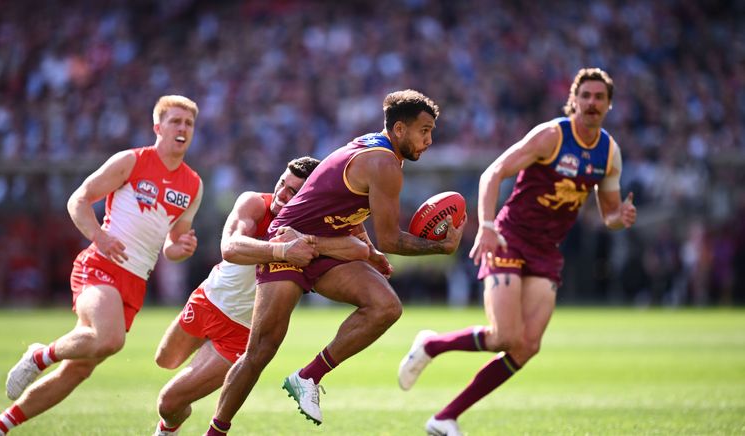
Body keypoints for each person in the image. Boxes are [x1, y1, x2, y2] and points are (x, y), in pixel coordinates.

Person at [205, 89, 465, 435]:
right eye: (425, 130)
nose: (430, 140)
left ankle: (308, 377)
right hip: (290, 240)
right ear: (399, 129)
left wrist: (369, 251)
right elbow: (392, 239)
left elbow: (344, 209)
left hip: (326, 247)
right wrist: (441, 248)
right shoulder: (384, 164)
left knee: (385, 306)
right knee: (261, 352)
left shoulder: (373, 147)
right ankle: (215, 433)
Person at [397, 68, 638, 435]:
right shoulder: (551, 136)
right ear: (573, 100)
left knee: (526, 346)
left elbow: (608, 216)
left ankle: (444, 417)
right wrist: (489, 226)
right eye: (585, 96)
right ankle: (432, 344)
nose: (591, 103)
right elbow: (492, 173)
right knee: (504, 337)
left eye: (599, 97)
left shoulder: (609, 153)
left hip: (546, 251)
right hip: (509, 236)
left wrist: (621, 216)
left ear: (608, 104)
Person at [0, 95, 204, 436]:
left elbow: (172, 246)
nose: (182, 128)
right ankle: (40, 355)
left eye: (188, 123)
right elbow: (78, 199)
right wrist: (99, 237)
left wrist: (181, 248)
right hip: (100, 265)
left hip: (135, 281)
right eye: (175, 121)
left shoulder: (193, 185)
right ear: (158, 127)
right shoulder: (131, 161)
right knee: (109, 339)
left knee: (78, 370)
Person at [152, 156, 372, 436]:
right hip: (207, 300)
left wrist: (320, 244)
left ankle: (167, 427)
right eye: (282, 183)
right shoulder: (254, 203)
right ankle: (180, 406)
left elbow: (359, 247)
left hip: (241, 332)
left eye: (293, 191)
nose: (282, 193)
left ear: (310, 195)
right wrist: (281, 251)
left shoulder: (316, 226)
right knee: (165, 360)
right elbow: (230, 247)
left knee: (168, 403)